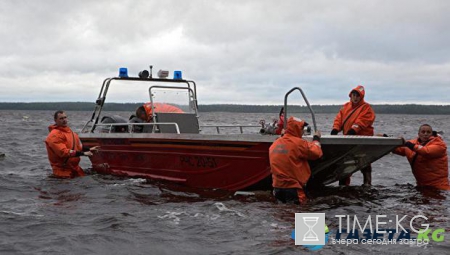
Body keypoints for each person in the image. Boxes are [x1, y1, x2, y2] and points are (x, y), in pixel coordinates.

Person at [269, 116, 323, 204]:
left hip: (277, 188)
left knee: (281, 215)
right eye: (302, 128)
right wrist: (316, 139)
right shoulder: (298, 143)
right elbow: (316, 153)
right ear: (297, 129)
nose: (303, 131)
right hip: (293, 188)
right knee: (298, 214)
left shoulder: (276, 143)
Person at [330, 85, 375, 186]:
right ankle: (343, 185)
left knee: (365, 163)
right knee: (346, 163)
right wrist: (335, 129)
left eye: (358, 95)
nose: (355, 97)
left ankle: (367, 184)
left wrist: (353, 130)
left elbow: (363, 121)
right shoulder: (345, 107)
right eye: (354, 95)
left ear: (361, 97)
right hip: (349, 139)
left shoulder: (366, 108)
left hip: (362, 140)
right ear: (350, 96)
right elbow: (339, 119)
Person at [393, 124, 449, 190]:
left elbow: (426, 151)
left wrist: (407, 144)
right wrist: (385, 140)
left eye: (428, 132)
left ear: (432, 134)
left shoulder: (439, 145)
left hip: (439, 186)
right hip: (422, 185)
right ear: (418, 134)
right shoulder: (412, 143)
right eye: (423, 132)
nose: (425, 134)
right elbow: (397, 149)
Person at [45, 110, 99, 178]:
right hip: (62, 171)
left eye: (65, 118)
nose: (64, 120)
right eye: (61, 118)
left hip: (75, 169)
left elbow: (76, 147)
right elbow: (63, 152)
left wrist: (89, 149)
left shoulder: (71, 133)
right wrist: (83, 154)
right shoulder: (54, 135)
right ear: (55, 120)